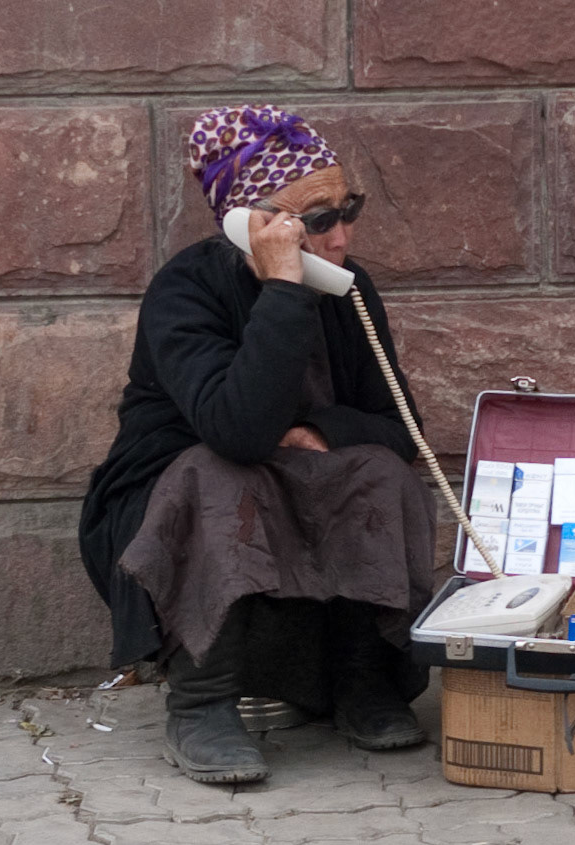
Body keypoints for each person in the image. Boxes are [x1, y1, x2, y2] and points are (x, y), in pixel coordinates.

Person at [78, 104, 437, 785]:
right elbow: (237, 431)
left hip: (298, 493)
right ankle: (202, 701)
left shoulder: (352, 290)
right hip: (178, 509)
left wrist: (323, 432)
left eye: (347, 207)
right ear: (257, 224)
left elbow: (400, 430)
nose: (342, 234)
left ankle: (362, 680)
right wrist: (283, 289)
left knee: (380, 473)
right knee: (224, 475)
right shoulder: (184, 290)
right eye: (320, 218)